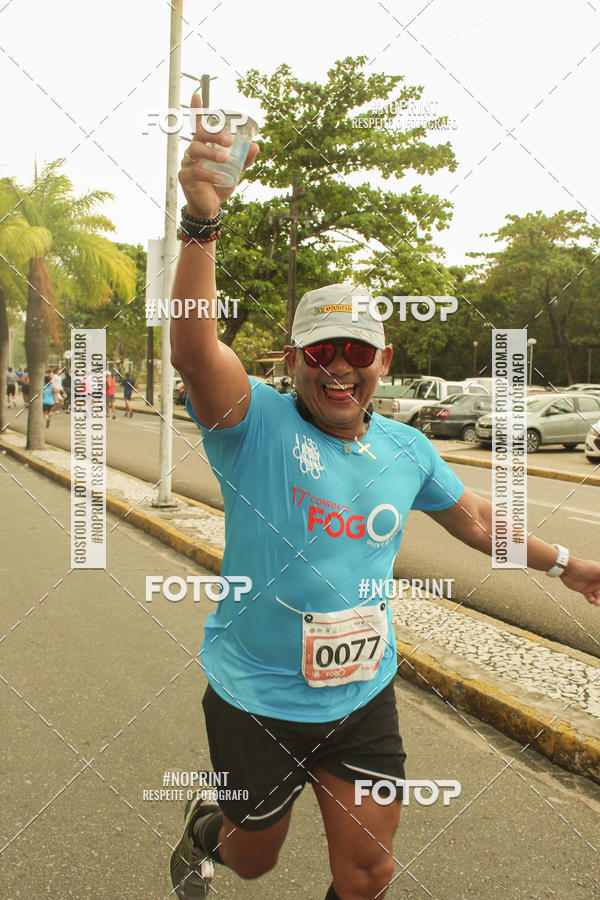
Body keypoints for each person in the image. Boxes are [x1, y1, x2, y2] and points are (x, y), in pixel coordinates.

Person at [168, 97, 600, 900]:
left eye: (357, 352)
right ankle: (210, 829)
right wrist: (201, 224)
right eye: (321, 351)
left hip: (361, 693)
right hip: (254, 690)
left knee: (368, 872)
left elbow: (473, 519)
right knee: (254, 855)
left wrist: (568, 563)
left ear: (383, 358)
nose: (340, 368)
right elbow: (194, 351)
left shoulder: (406, 447)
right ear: (291, 358)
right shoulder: (251, 423)